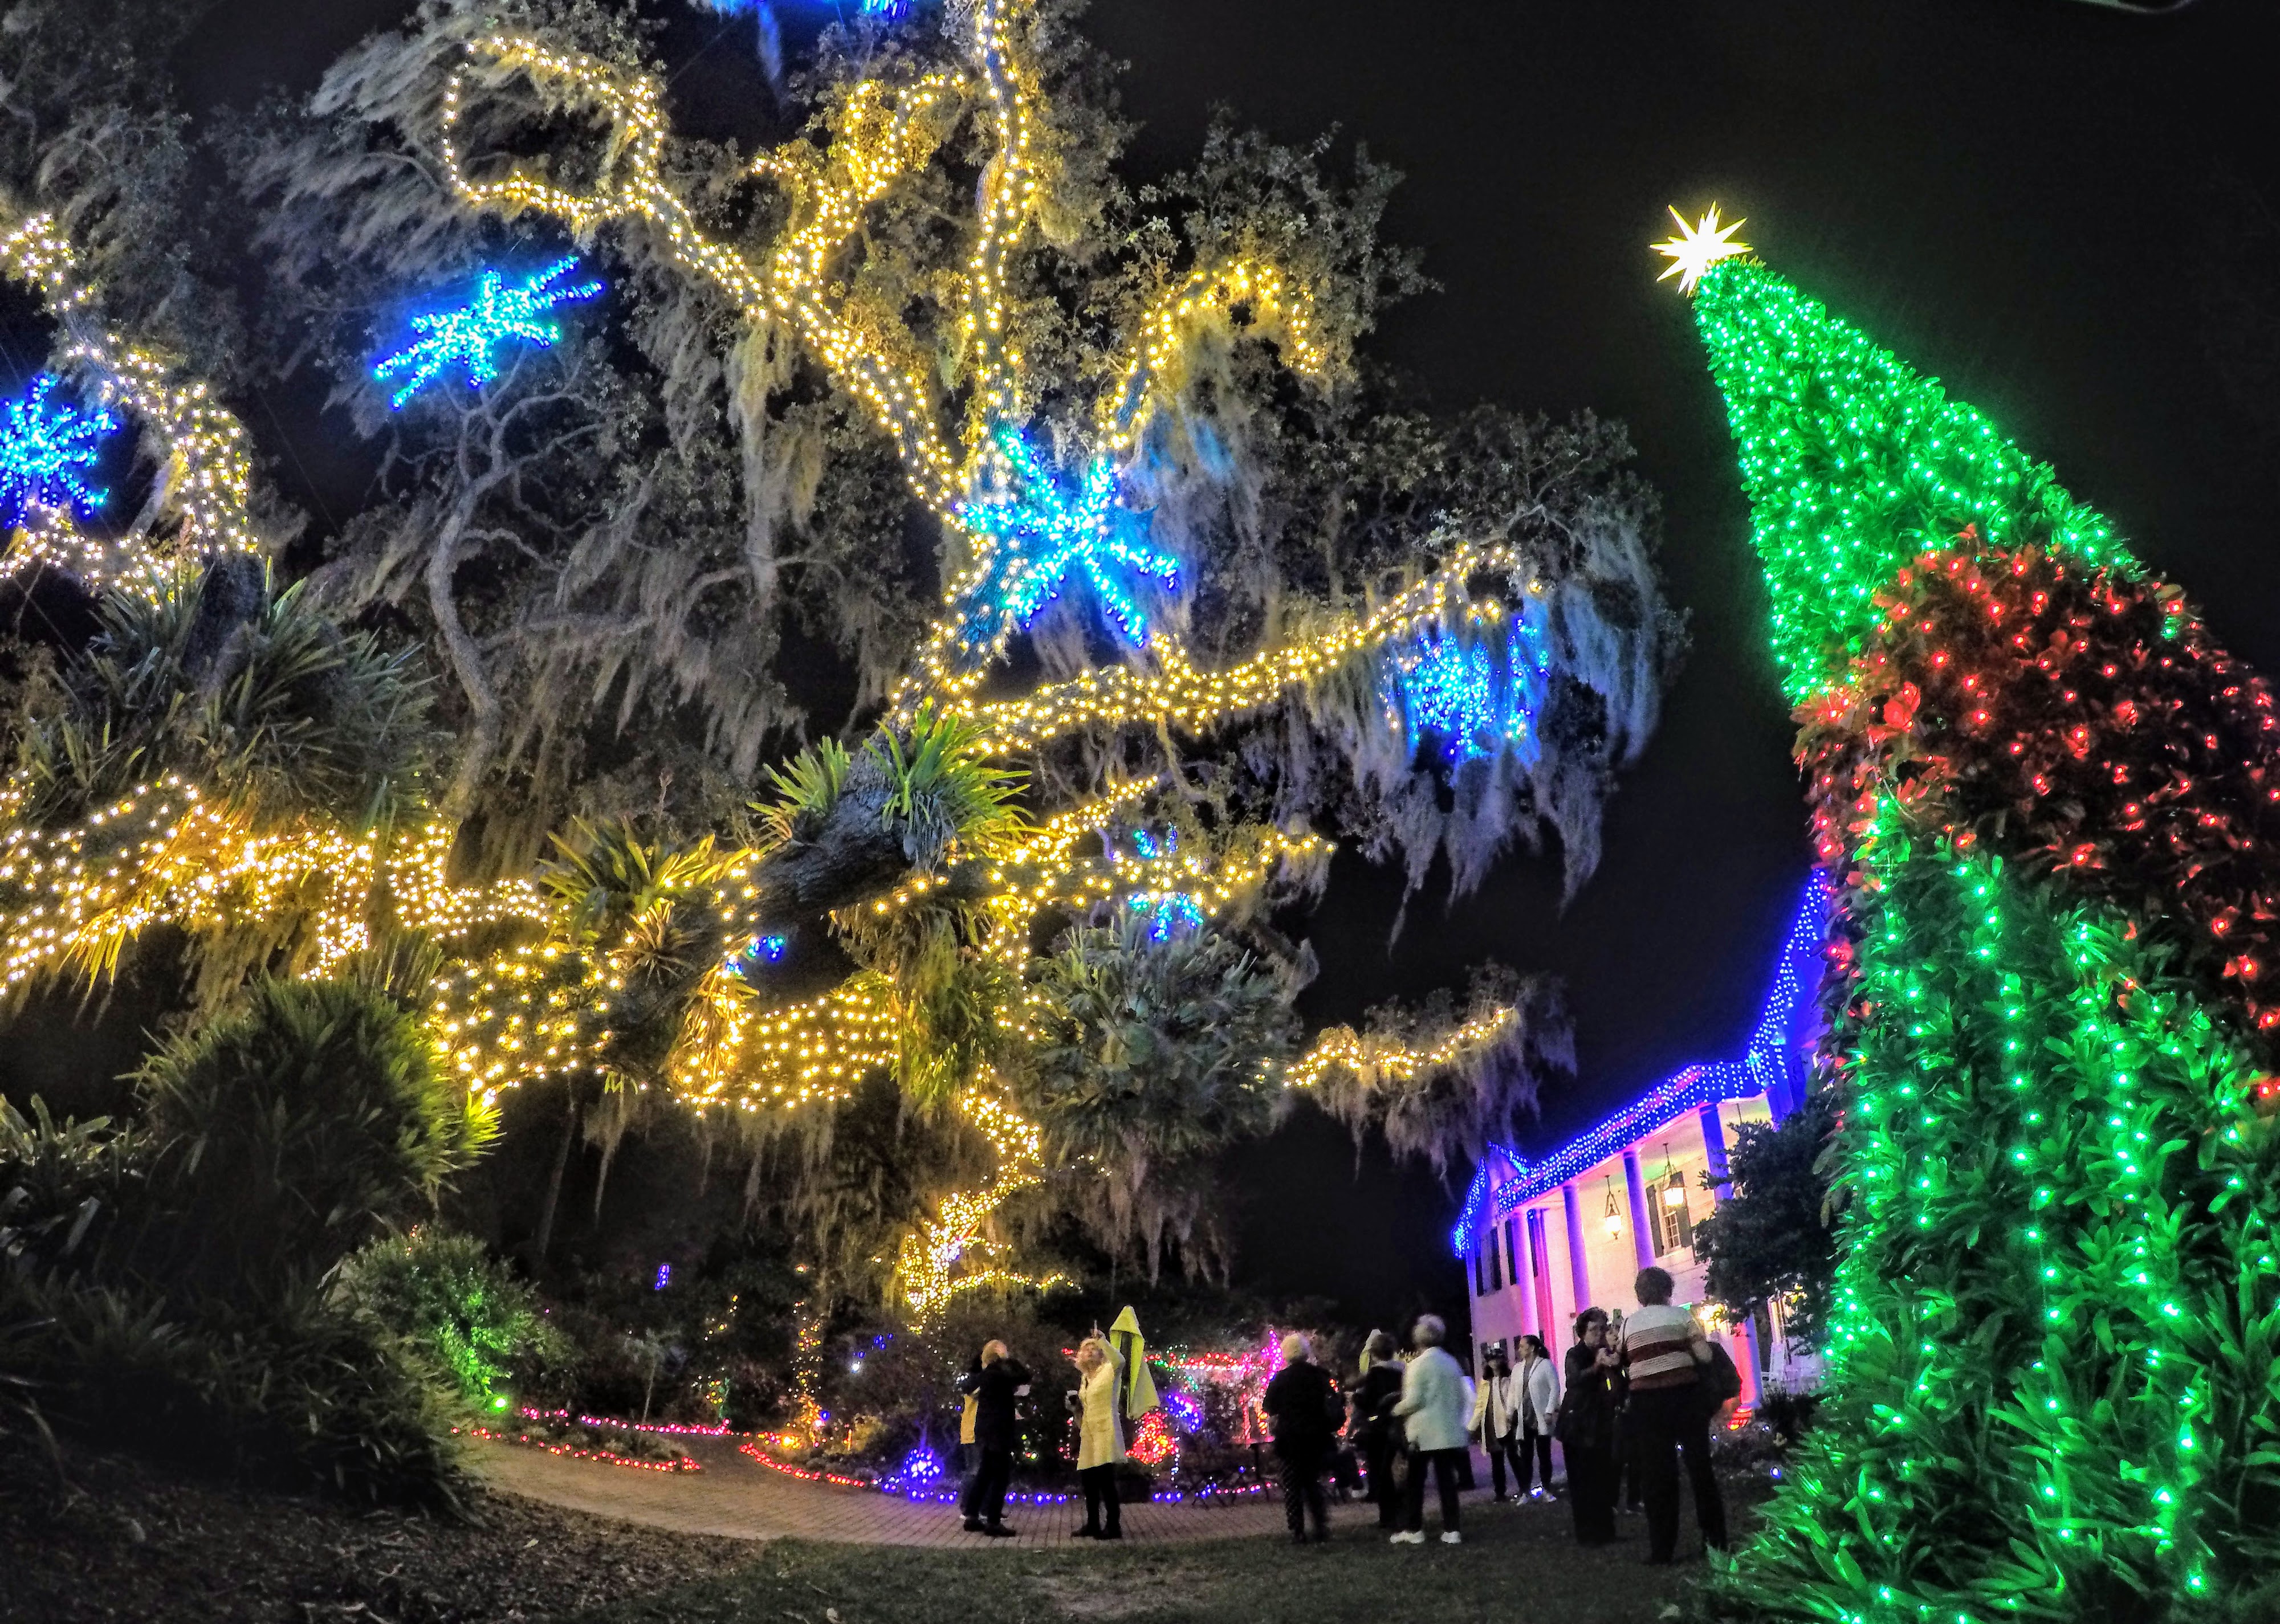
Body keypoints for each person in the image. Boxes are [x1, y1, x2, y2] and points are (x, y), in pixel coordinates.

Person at [1619, 1267, 1730, 1565]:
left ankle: (1662, 1549)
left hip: (1646, 1404)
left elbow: (1623, 1357)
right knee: (1700, 1470)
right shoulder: (1683, 1318)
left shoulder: (1630, 1323)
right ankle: (1715, 1541)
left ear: (1640, 1294)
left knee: (1658, 1475)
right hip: (1685, 1398)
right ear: (1667, 1290)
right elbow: (1705, 1357)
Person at [1390, 1315, 1471, 1546]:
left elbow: (1414, 1399)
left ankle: (1414, 1528)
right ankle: (1452, 1529)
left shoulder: (1418, 1365)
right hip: (1448, 1431)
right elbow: (1461, 1397)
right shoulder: (1451, 1363)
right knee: (1447, 1483)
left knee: (1415, 1483)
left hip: (1423, 1433)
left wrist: (1396, 1410)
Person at [1261, 1331, 1339, 1544]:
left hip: (1290, 1440)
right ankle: (1321, 1527)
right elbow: (1332, 1402)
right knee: (1313, 1483)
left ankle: (1297, 1530)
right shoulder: (1319, 1376)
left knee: (1292, 1486)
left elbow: (1268, 1406)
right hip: (1316, 1438)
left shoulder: (1281, 1379)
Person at [1556, 1309, 1621, 1547]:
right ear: (1583, 1333)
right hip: (1579, 1425)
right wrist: (1597, 1366)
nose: (1599, 1334)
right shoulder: (1575, 1354)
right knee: (1582, 1481)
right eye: (1594, 1330)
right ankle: (1587, 1533)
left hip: (1602, 1423)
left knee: (1604, 1478)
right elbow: (1574, 1380)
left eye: (1602, 1329)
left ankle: (1606, 1530)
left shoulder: (1608, 1353)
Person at [956, 1339, 1031, 1537]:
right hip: (999, 1432)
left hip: (985, 1431)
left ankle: (972, 1515)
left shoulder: (985, 1375)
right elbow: (1025, 1376)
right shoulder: (999, 1374)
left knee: (985, 1473)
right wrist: (1008, 1358)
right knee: (1000, 1476)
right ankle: (993, 1521)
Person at [1070, 1333, 1126, 1540]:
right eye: (1086, 1348)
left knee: (1106, 1480)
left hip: (1105, 1429)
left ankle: (1114, 1526)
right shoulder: (1086, 1377)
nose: (1090, 1351)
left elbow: (1120, 1360)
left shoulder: (1109, 1370)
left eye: (1094, 1348)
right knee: (1089, 1481)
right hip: (1089, 1431)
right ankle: (1093, 1524)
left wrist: (1103, 1340)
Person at [1350, 1330, 1406, 1529]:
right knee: (1400, 1469)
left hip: (1379, 1427)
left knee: (1381, 1471)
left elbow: (1367, 1401)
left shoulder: (1376, 1374)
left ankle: (1386, 1516)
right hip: (1401, 1425)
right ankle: (1403, 1510)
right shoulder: (1403, 1371)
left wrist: (1354, 1397)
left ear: (1374, 1353)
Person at [1468, 1348, 1524, 1502]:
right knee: (1496, 1461)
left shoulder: (1509, 1379)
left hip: (1507, 1424)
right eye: (1491, 1360)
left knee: (1514, 1457)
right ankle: (1500, 1493)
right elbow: (1480, 1405)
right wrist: (1472, 1426)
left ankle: (1523, 1488)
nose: (1494, 1363)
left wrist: (1512, 1416)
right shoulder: (1485, 1383)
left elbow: (1513, 1400)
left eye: (1497, 1359)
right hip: (1491, 1425)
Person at [1513, 1333, 1561, 1500]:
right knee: (1525, 1457)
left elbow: (1554, 1388)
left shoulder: (1546, 1365)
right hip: (1524, 1418)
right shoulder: (1518, 1369)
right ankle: (1525, 1492)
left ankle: (1547, 1489)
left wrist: (1549, 1410)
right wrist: (1510, 1412)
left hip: (1540, 1417)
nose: (1519, 1350)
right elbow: (1514, 1392)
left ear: (1532, 1348)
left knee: (1544, 1455)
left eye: (1522, 1346)